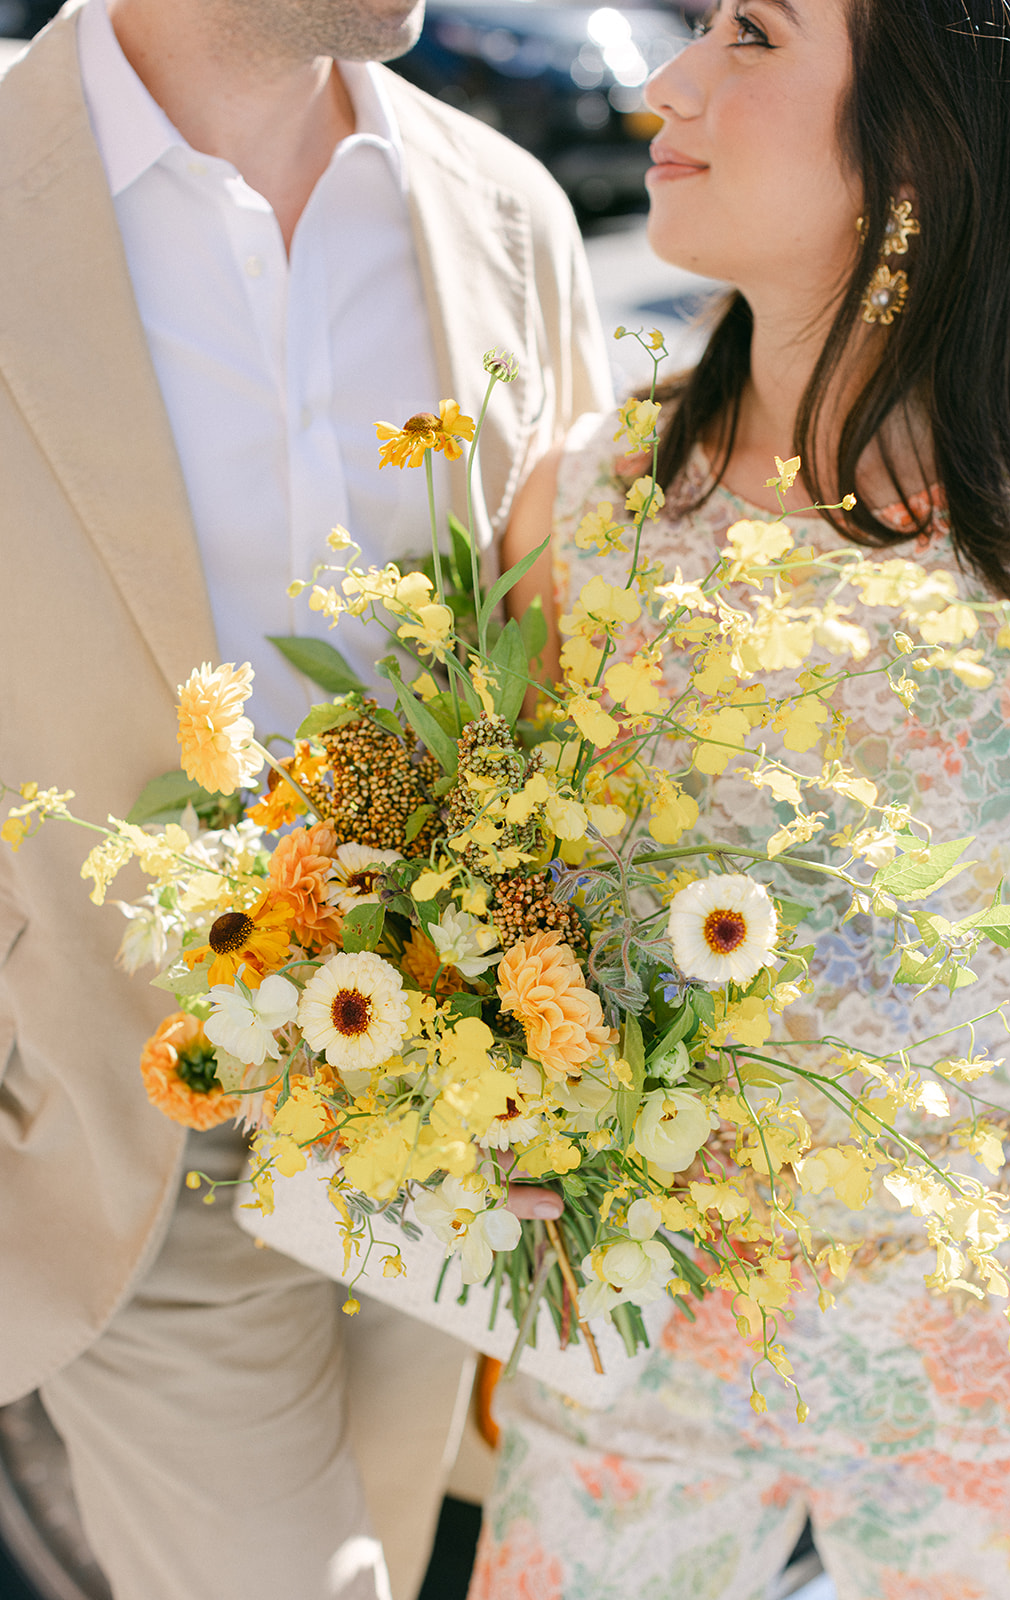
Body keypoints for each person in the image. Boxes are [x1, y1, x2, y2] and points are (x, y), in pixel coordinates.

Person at [0, 1, 611, 1596]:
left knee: (400, 1561)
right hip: (121, 1128)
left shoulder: (506, 211)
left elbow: (554, 674)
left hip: (441, 1118)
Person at [477, 2, 1010, 1596]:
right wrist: (484, 1084)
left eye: (750, 34)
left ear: (919, 146)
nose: (668, 79)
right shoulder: (587, 503)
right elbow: (500, 891)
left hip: (996, 1387)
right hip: (637, 1354)